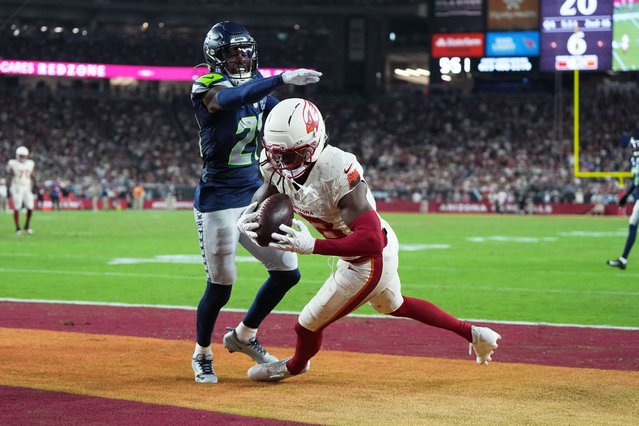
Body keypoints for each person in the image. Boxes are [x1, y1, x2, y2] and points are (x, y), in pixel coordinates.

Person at [236, 98, 502, 382]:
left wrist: (312, 246)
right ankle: (474, 334)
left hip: (368, 258)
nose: (281, 164)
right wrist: (250, 214)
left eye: (289, 156)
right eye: (275, 155)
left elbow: (372, 241)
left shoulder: (336, 169)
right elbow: (268, 189)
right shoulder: (277, 161)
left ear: (313, 144)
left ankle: (295, 366)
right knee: (396, 305)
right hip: (362, 249)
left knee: (306, 326)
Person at [189, 21, 322, 384]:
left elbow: (282, 117)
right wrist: (280, 78)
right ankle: (201, 353)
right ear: (217, 56)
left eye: (246, 50)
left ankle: (244, 335)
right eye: (234, 51)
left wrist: (309, 122)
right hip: (217, 199)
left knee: (287, 272)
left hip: (254, 194)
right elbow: (232, 99)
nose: (243, 56)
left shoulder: (258, 86)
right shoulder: (207, 86)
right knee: (221, 283)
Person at [607, 136, 639, 270]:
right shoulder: (635, 159)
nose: (631, 149)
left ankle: (623, 259)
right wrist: (626, 196)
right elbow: (636, 182)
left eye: (633, 146)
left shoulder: (636, 159)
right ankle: (623, 259)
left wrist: (625, 196)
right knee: (632, 223)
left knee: (633, 224)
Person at [6, 146, 35, 235]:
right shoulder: (12, 163)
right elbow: (9, 175)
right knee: (17, 206)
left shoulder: (30, 163)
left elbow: (31, 175)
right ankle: (18, 228)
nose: (22, 157)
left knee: (30, 207)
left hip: (27, 186)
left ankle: (27, 225)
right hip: (17, 186)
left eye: (24, 156)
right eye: (21, 156)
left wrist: (34, 183)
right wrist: (8, 187)